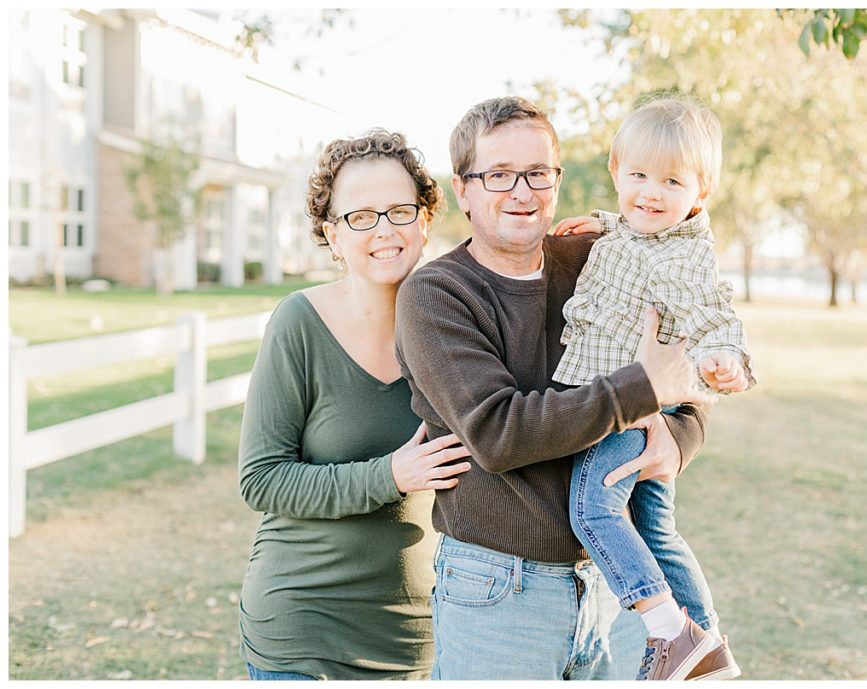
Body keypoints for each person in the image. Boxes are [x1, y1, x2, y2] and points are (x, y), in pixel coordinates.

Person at [394, 96, 715, 681]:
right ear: (463, 190)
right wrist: (639, 391)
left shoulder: (599, 258)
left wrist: (678, 434)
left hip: (609, 584)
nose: (522, 191)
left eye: (538, 172)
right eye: (498, 174)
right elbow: (498, 432)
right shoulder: (437, 295)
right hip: (497, 592)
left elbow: (682, 366)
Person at [237, 130, 471, 680]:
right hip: (302, 635)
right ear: (333, 235)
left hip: (425, 639)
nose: (384, 229)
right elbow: (262, 479)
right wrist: (390, 474)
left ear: (425, 220)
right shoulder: (299, 323)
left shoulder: (457, 324)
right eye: (360, 216)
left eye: (398, 210)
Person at [551, 95, 755, 680]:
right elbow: (640, 232)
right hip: (622, 405)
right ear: (616, 171)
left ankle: (669, 630)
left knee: (592, 509)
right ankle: (705, 646)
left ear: (701, 193)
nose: (650, 191)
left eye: (671, 181)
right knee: (655, 528)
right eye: (638, 175)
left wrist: (725, 359)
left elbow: (714, 315)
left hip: (630, 414)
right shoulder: (639, 230)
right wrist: (605, 222)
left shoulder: (690, 259)